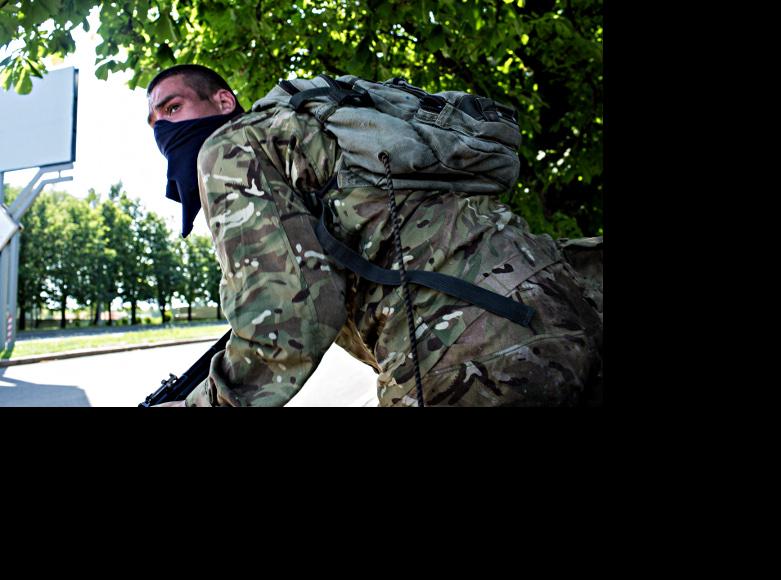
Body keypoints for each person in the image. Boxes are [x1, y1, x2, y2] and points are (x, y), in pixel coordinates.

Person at [148, 63, 602, 407]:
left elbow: (286, 321)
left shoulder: (228, 146)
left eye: (173, 107)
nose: (165, 128)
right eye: (154, 123)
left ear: (224, 103)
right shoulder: (327, 134)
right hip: (568, 311)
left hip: (468, 358)